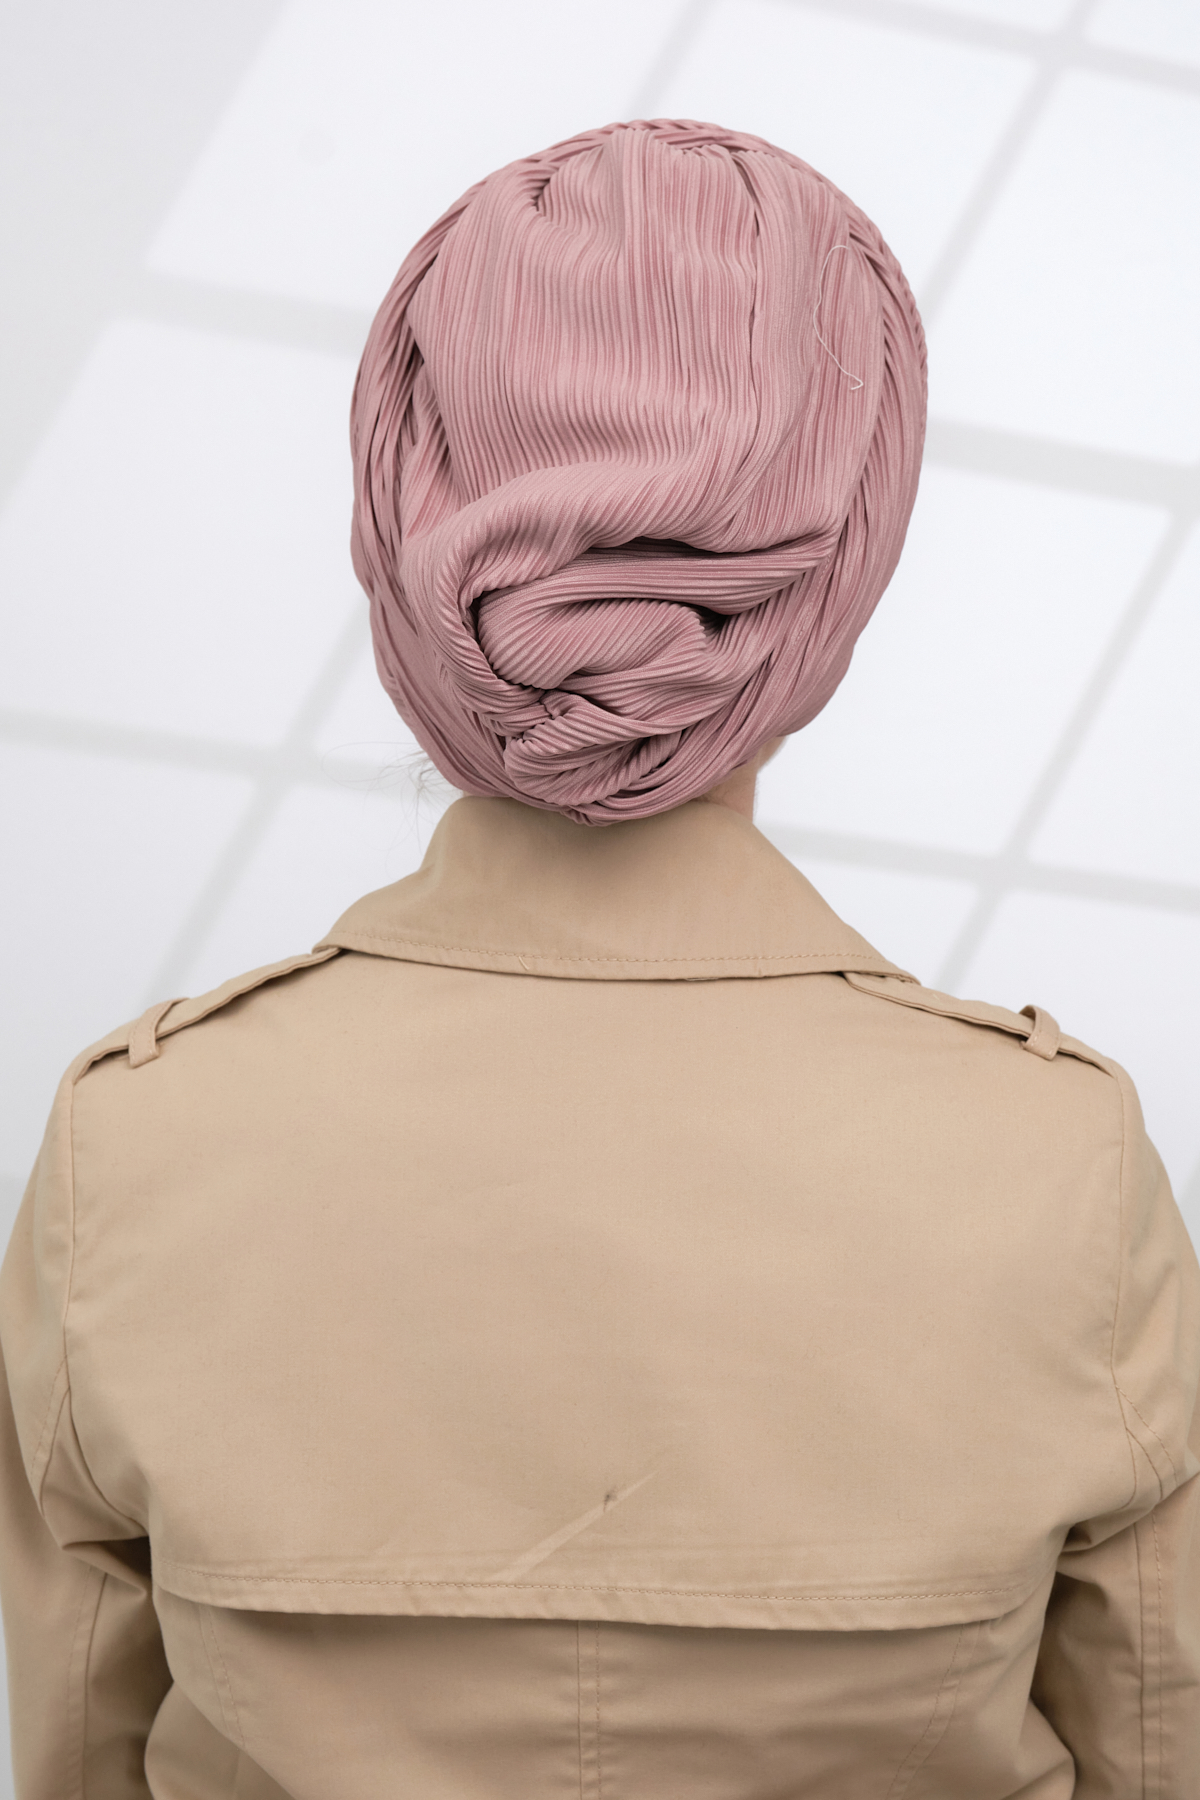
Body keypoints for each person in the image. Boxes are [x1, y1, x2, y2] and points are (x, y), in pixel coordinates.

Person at [1, 117, 1197, 1798]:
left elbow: (79, 1756)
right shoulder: (1060, 1157)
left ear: (402, 547)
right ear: (837, 580)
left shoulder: (132, 1144)